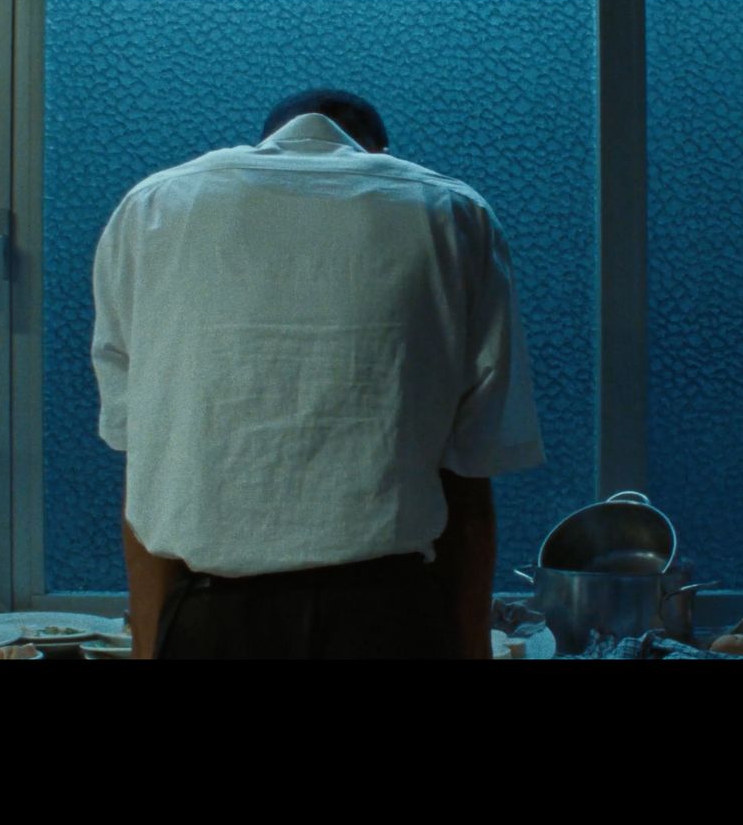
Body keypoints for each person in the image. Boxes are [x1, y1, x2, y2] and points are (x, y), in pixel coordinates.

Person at [91, 88, 543, 658]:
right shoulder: (450, 213)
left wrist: (147, 649)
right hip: (391, 616)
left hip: (213, 617)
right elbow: (471, 481)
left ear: (266, 142)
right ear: (378, 150)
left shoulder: (152, 209)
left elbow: (145, 468)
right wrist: (473, 645)